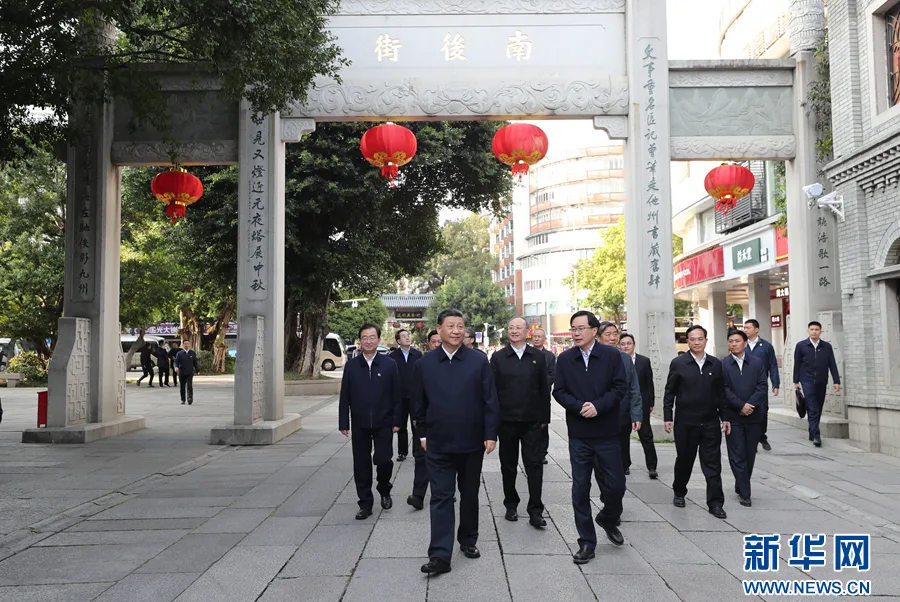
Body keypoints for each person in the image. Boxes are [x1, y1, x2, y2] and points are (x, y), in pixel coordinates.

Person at [414, 309, 500, 575]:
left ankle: (468, 539)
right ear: (438, 329)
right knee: (441, 497)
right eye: (450, 325)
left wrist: (490, 434)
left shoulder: (478, 360)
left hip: (472, 442)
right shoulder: (425, 364)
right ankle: (440, 555)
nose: (455, 330)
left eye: (460, 326)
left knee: (470, 493)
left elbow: (490, 399)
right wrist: (423, 436)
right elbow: (418, 405)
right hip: (438, 444)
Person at [553, 310, 627, 565]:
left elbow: (620, 388)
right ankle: (586, 542)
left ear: (594, 331)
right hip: (580, 434)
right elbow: (559, 391)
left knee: (616, 486)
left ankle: (607, 519)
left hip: (606, 431)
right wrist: (577, 406)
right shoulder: (564, 359)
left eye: (580, 328)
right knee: (580, 489)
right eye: (573, 328)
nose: (575, 333)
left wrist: (598, 406)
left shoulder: (611, 355)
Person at [663, 325, 731, 519]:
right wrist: (668, 417)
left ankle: (716, 503)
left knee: (713, 464)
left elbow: (721, 393)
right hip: (686, 422)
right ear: (688, 341)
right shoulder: (679, 363)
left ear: (705, 340)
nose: (696, 342)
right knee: (685, 460)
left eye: (700, 339)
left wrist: (724, 417)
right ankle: (679, 491)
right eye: (692, 339)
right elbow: (670, 392)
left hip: (710, 422)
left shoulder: (715, 364)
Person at [490, 317, 550, 528]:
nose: (514, 331)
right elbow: (492, 392)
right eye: (511, 328)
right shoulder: (498, 357)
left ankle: (535, 510)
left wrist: (545, 418)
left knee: (534, 465)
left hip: (532, 422)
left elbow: (544, 388)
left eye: (519, 328)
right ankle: (511, 504)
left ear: (527, 332)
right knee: (508, 466)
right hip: (506, 422)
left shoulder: (538, 356)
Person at [340, 323, 402, 520]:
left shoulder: (389, 364)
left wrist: (397, 419)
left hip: (384, 422)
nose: (368, 341)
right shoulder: (351, 365)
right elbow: (345, 395)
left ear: (379, 340)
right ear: (360, 341)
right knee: (361, 464)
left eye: (372, 337)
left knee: (384, 460)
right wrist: (344, 422)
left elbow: (397, 395)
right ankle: (365, 503)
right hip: (359, 423)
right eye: (364, 338)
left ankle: (384, 489)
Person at [722, 328, 768, 507]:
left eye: (737, 341)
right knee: (737, 454)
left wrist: (750, 405)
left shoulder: (756, 363)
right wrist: (740, 405)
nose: (733, 344)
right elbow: (723, 389)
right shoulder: (723, 364)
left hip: (754, 416)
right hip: (733, 417)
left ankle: (741, 482)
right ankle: (745, 493)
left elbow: (762, 386)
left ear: (745, 343)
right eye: (731, 341)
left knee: (749, 455)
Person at [597, 322, 642, 477]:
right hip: (599, 414)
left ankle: (622, 469)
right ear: (598, 336)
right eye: (607, 334)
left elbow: (634, 388)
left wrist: (636, 414)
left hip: (621, 413)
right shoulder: (593, 358)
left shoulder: (625, 359)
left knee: (622, 446)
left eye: (615, 334)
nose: (612, 338)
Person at [793, 321, 840, 447]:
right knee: (812, 408)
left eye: (816, 329)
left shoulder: (826, 347)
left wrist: (836, 381)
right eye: (812, 329)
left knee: (817, 408)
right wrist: (796, 381)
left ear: (820, 331)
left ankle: (811, 431)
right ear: (808, 331)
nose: (814, 331)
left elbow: (832, 364)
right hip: (806, 380)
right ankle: (817, 435)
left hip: (821, 381)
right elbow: (797, 364)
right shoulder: (801, 346)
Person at [618, 333, 659, 479]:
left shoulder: (644, 361)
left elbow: (649, 383)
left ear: (634, 345)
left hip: (641, 404)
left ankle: (652, 466)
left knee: (646, 435)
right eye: (623, 344)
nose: (626, 346)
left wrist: (651, 402)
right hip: (623, 404)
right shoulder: (617, 360)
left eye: (629, 343)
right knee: (623, 436)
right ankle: (625, 464)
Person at [743, 319, 780, 451]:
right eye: (744, 328)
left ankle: (761, 436)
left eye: (748, 327)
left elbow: (773, 366)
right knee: (748, 410)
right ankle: (751, 439)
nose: (745, 330)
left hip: (761, 385)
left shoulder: (766, 346)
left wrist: (776, 383)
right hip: (744, 384)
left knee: (763, 411)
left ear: (756, 329)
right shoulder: (742, 345)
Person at [388, 329, 423, 462]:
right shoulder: (392, 357)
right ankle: (402, 452)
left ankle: (417, 451)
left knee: (417, 426)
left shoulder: (418, 355)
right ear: (398, 341)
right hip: (399, 397)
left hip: (415, 397)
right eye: (403, 336)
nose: (407, 338)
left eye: (408, 335)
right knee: (401, 425)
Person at [531, 328, 556, 465]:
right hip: (529, 395)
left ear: (544, 339)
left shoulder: (550, 356)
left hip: (543, 395)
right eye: (534, 336)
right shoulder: (528, 353)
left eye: (539, 336)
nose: (536, 339)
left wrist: (542, 384)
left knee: (543, 426)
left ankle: (542, 453)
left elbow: (552, 374)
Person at [174, 340, 198, 405]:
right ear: (183, 345)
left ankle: (190, 398)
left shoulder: (192, 353)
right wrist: (176, 367)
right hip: (182, 372)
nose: (186, 345)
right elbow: (176, 361)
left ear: (189, 344)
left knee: (189, 386)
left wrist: (197, 370)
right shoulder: (179, 353)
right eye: (185, 344)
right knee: (182, 386)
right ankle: (183, 399)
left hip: (190, 372)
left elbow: (195, 362)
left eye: (187, 343)